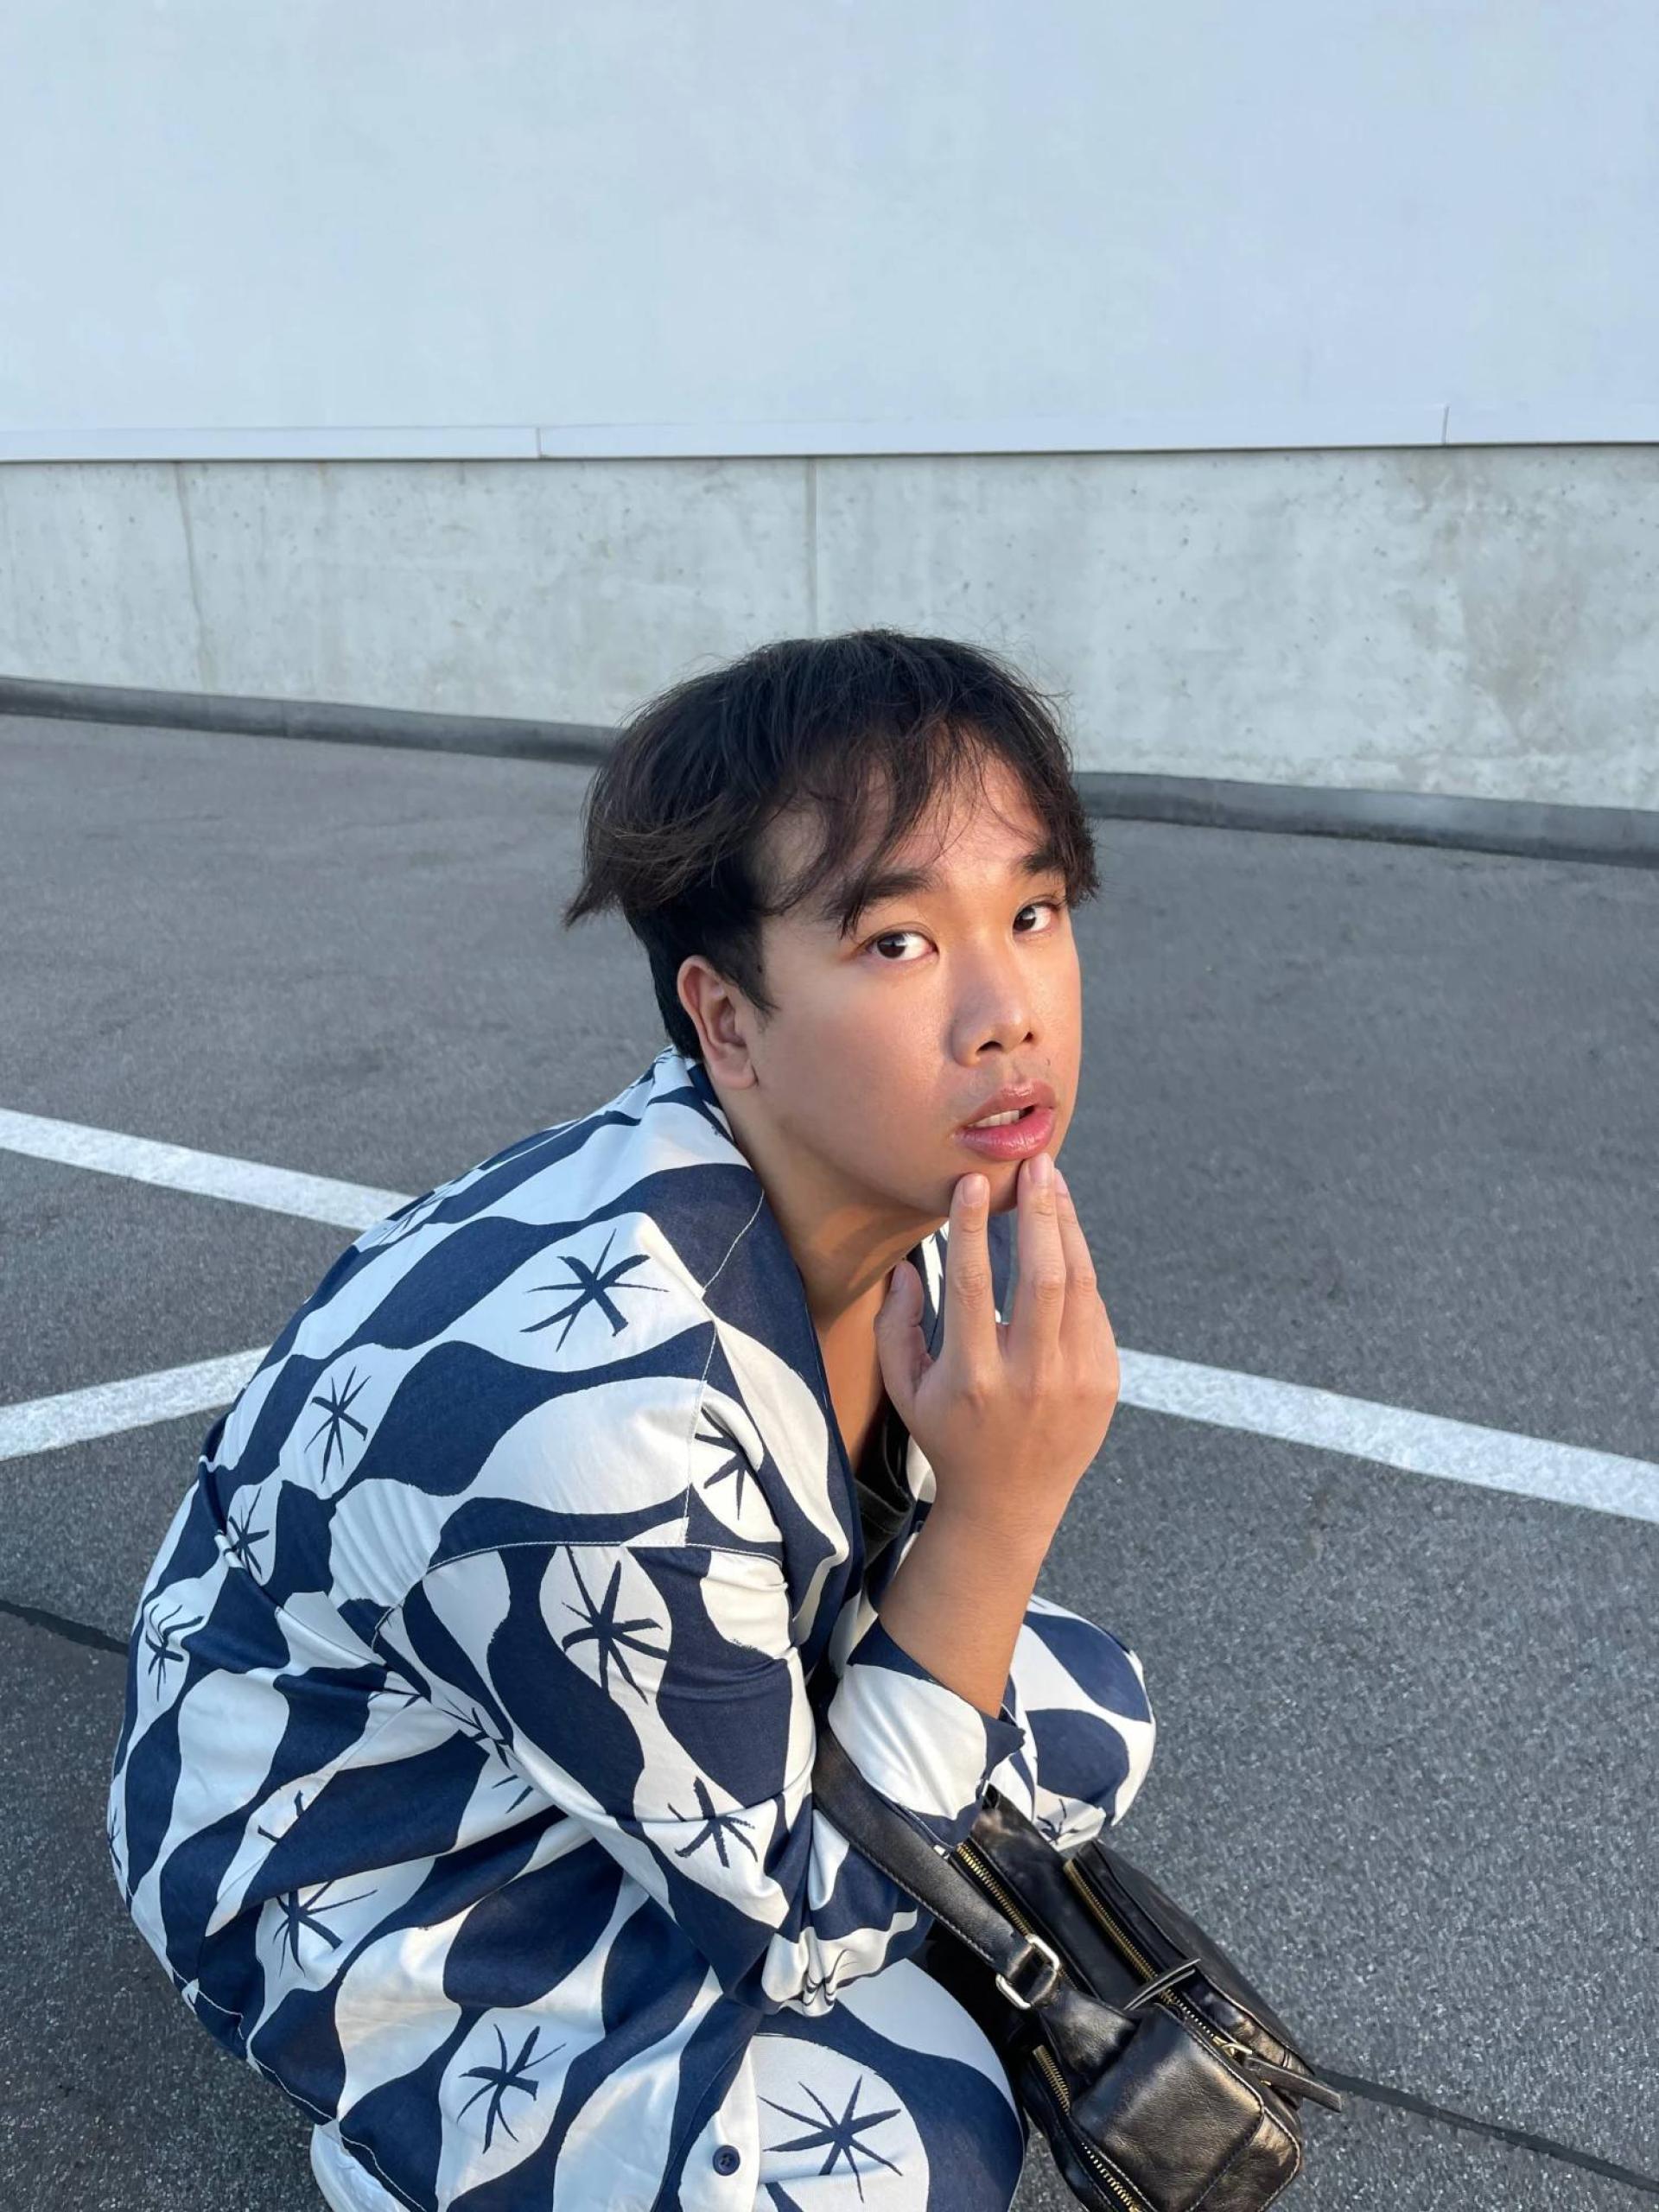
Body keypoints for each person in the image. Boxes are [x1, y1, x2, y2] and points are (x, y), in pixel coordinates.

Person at [105, 629, 1156, 2212]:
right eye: (897, 943)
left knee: (1079, 1719)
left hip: (527, 1695)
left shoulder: (857, 1183)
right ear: (725, 1020)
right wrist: (1005, 1505)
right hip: (354, 1861)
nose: (1007, 1012)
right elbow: (801, 1922)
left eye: (1032, 911)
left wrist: (977, 1527)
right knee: (923, 2136)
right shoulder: (615, 1425)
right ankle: (412, 2132)